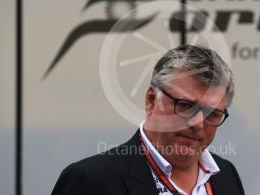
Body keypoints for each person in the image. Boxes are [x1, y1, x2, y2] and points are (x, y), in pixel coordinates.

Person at [52, 45, 245, 195]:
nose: (197, 123)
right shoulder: (91, 181)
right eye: (185, 106)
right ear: (151, 100)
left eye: (212, 113)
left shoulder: (226, 175)